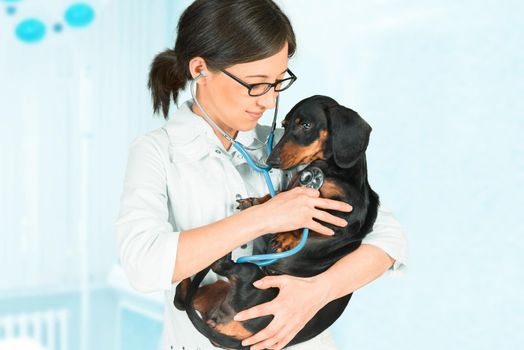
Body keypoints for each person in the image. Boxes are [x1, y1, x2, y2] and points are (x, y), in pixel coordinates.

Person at [115, 1, 408, 349]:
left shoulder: (287, 147)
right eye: (256, 84)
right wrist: (263, 217)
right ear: (200, 69)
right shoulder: (156, 152)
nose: (268, 102)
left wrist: (316, 292)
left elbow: (388, 238)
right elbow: (143, 264)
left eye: (277, 83)